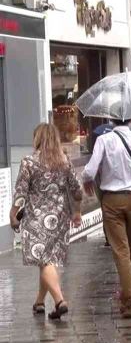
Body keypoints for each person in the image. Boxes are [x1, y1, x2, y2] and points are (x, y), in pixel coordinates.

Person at [83, 118, 131, 319]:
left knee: (121, 251)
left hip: (112, 200)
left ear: (110, 120)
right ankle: (128, 296)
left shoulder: (104, 140)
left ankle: (130, 299)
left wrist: (86, 180)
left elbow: (89, 170)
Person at [10, 124, 83, 320]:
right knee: (47, 260)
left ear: (38, 138)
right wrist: (76, 211)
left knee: (44, 260)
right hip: (59, 218)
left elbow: (21, 192)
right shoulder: (64, 161)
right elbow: (77, 190)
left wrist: (13, 213)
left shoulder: (29, 162)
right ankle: (40, 302)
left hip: (36, 218)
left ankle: (59, 301)